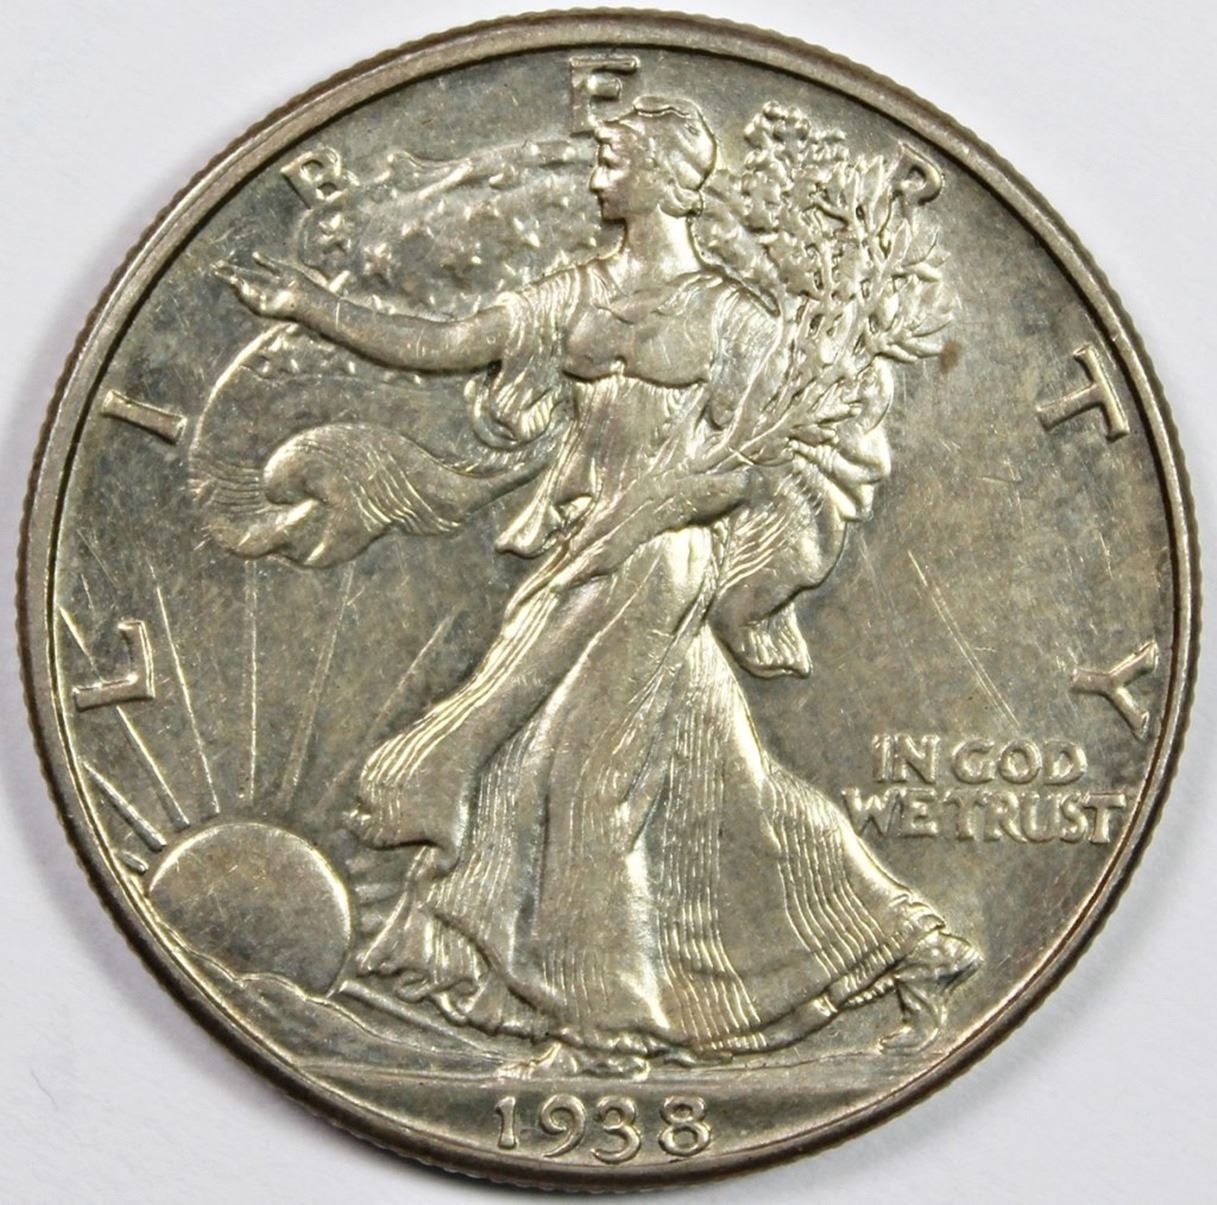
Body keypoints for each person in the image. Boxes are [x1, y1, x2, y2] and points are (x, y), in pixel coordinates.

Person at [216, 96, 979, 1068]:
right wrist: (308, 307)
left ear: (662, 174)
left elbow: (770, 458)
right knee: (720, 785)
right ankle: (907, 946)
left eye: (614, 158)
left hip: (662, 562)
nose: (596, 174)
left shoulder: (734, 318)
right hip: (582, 554)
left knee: (584, 780)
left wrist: (682, 502)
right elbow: (445, 343)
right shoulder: (576, 292)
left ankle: (603, 1027)